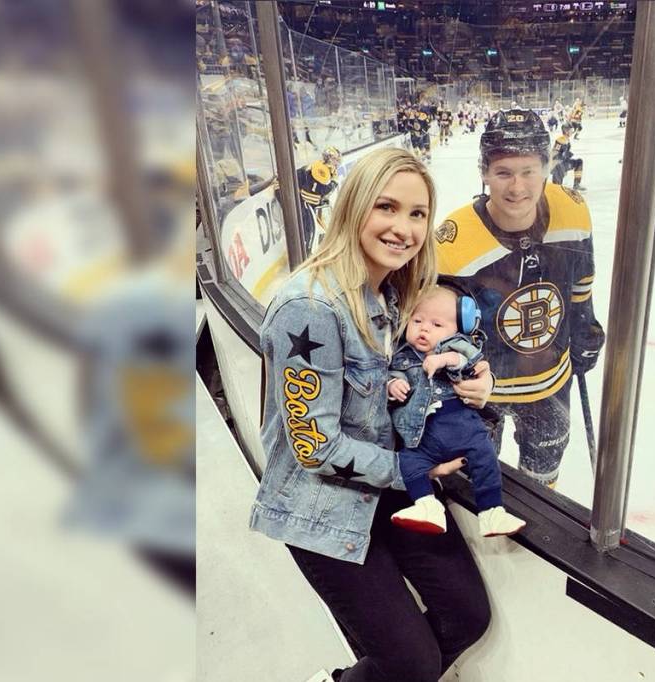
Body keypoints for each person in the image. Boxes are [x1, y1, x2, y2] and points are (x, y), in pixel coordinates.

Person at [251, 148, 495, 682]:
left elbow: (447, 345)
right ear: (355, 207)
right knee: (410, 665)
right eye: (387, 207)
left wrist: (478, 379)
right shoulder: (310, 309)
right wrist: (416, 471)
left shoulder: (392, 291)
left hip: (388, 486)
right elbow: (314, 449)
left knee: (467, 615)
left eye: (417, 214)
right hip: (324, 505)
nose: (403, 228)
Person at [435, 109, 606, 488]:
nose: (517, 187)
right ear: (483, 172)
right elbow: (435, 327)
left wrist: (587, 330)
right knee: (472, 484)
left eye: (529, 171)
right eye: (503, 173)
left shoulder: (573, 211)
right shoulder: (453, 241)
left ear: (548, 167)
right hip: (477, 392)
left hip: (549, 381)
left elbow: (581, 286)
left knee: (544, 481)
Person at [387, 286, 527, 536]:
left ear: (457, 329)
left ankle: (492, 511)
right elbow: (393, 373)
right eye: (417, 320)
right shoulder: (402, 355)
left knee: (483, 457)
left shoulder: (455, 346)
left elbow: (469, 360)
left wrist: (443, 359)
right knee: (409, 462)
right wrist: (393, 385)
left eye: (437, 324)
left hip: (460, 426)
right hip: (421, 436)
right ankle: (427, 506)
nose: (424, 328)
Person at [296, 146, 342, 254]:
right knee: (310, 227)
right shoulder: (321, 169)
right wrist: (333, 183)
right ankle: (306, 253)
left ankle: (307, 251)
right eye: (335, 159)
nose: (337, 163)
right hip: (304, 201)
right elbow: (317, 189)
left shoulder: (326, 169)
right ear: (328, 158)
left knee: (311, 227)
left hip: (305, 201)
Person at [550, 123, 586, 191]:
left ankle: (576, 184)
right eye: (571, 130)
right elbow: (554, 152)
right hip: (558, 165)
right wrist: (552, 164)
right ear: (566, 131)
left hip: (564, 163)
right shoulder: (560, 140)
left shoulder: (566, 139)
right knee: (557, 188)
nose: (572, 132)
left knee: (579, 162)